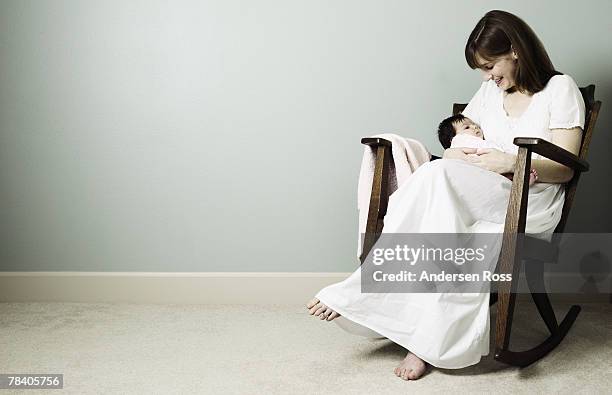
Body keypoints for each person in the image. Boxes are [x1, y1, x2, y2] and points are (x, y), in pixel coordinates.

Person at [306, 10, 585, 381]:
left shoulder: (560, 88)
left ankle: (365, 288)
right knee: (439, 203)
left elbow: (565, 167)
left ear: (515, 50)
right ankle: (421, 339)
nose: (488, 78)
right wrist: (462, 155)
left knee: (434, 177)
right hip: (482, 190)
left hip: (529, 200)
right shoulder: (490, 91)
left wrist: (508, 160)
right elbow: (458, 142)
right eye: (483, 71)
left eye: (490, 66)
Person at [438, 113, 538, 185]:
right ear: (452, 139)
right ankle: (520, 179)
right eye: (467, 127)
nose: (474, 127)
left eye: (475, 125)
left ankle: (519, 180)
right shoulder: (460, 141)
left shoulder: (478, 141)